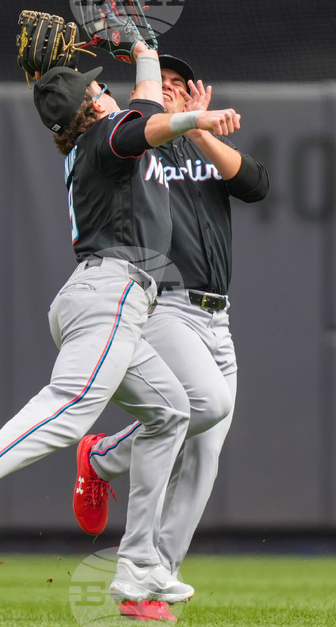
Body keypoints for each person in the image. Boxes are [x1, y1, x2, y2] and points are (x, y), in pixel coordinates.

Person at [0, 42, 245, 604]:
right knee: (70, 406)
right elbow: (144, 122)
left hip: (103, 294)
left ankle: (139, 565)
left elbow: (140, 107)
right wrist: (198, 117)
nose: (103, 88)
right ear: (91, 109)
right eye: (95, 88)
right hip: (113, 291)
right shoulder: (107, 137)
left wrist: (146, 51)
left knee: (171, 413)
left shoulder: (96, 134)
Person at [72, 54, 269, 592]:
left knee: (205, 450)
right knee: (207, 404)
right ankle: (106, 457)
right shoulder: (138, 146)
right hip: (166, 304)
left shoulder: (204, 152)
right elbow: (129, 137)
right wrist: (161, 118)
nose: (175, 92)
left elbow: (256, 184)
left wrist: (203, 133)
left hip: (217, 316)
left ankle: (157, 574)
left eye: (183, 85)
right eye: (166, 85)